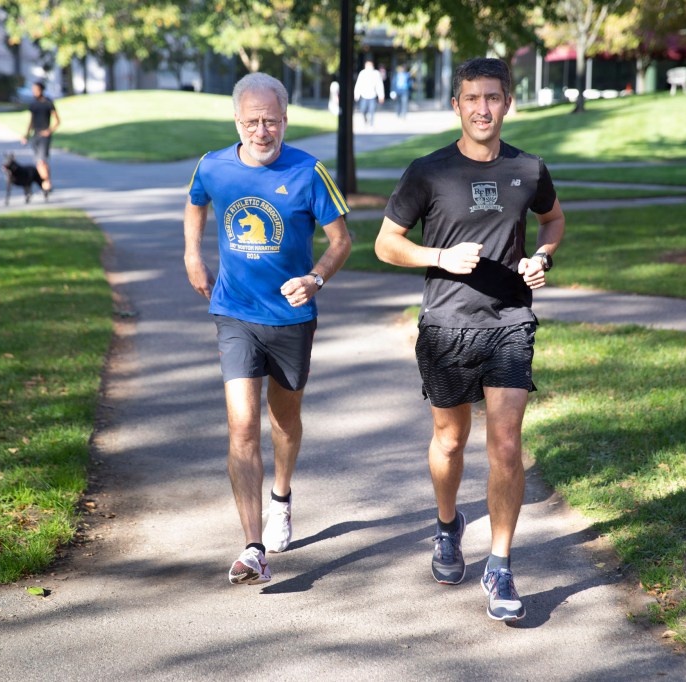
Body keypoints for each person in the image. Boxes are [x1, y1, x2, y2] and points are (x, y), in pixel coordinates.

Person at [373, 57, 565, 622]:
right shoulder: (427, 172)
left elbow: (553, 221)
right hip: (446, 324)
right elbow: (386, 244)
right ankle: (447, 524)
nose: (483, 108)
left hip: (509, 320)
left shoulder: (529, 169)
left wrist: (541, 257)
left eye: (494, 97)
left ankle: (501, 565)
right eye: (472, 98)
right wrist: (439, 257)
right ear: (456, 105)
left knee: (506, 443)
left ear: (509, 102)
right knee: (451, 441)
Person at [184, 72, 352, 586]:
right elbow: (196, 201)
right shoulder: (213, 165)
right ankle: (253, 547)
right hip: (234, 311)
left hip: (291, 319)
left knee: (283, 421)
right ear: (237, 121)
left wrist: (316, 278)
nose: (262, 131)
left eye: (272, 121)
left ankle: (281, 496)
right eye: (253, 121)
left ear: (285, 120)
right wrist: (191, 253)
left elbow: (341, 240)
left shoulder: (309, 172)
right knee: (242, 426)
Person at [20, 81, 60, 193]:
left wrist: (49, 130)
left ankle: (47, 182)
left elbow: (57, 120)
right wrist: (26, 135)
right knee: (38, 161)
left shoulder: (48, 103)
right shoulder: (33, 104)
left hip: (44, 136)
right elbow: (31, 122)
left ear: (41, 90)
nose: (34, 92)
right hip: (35, 135)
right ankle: (44, 182)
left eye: (36, 89)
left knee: (42, 160)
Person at [353, 60, 385, 127]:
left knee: (372, 110)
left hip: (372, 95)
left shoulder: (376, 73)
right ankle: (365, 119)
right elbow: (358, 84)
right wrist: (356, 94)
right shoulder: (362, 73)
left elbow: (379, 85)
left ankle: (371, 124)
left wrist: (381, 96)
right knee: (363, 109)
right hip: (364, 95)